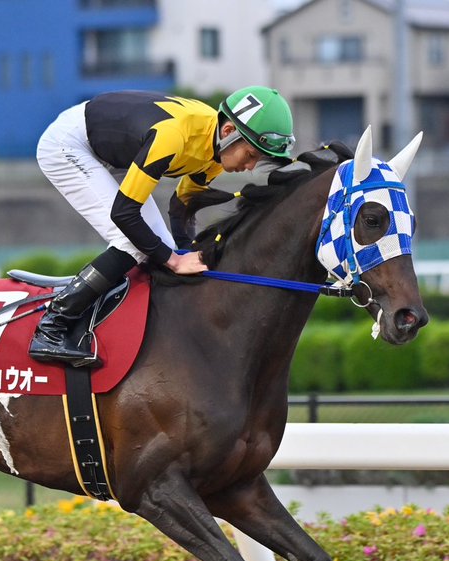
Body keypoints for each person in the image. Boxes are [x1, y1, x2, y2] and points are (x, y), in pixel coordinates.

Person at [29, 86, 296, 366]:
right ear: (228, 131)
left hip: (110, 147)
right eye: (251, 154)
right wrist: (173, 260)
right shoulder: (174, 136)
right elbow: (124, 214)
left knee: (160, 247)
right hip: (68, 145)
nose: (251, 167)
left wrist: (188, 255)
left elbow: (181, 207)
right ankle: (51, 328)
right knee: (133, 243)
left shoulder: (217, 152)